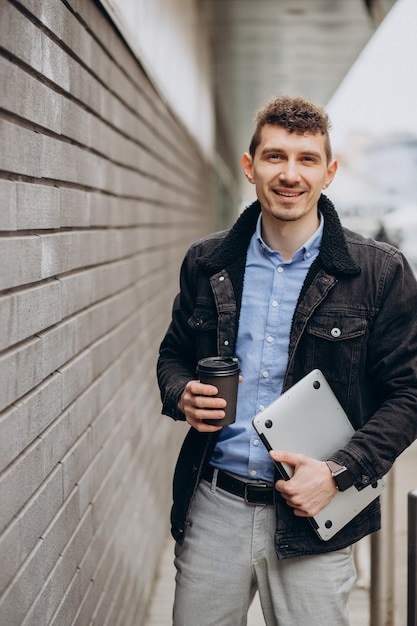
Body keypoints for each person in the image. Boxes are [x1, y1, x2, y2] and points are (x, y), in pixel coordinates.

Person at [157, 95, 417, 625]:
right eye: (275, 157)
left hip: (316, 516)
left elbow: (409, 393)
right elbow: (173, 355)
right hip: (214, 507)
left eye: (306, 159)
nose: (290, 174)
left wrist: (339, 472)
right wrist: (180, 391)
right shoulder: (208, 262)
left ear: (330, 172)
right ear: (249, 167)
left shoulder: (381, 273)